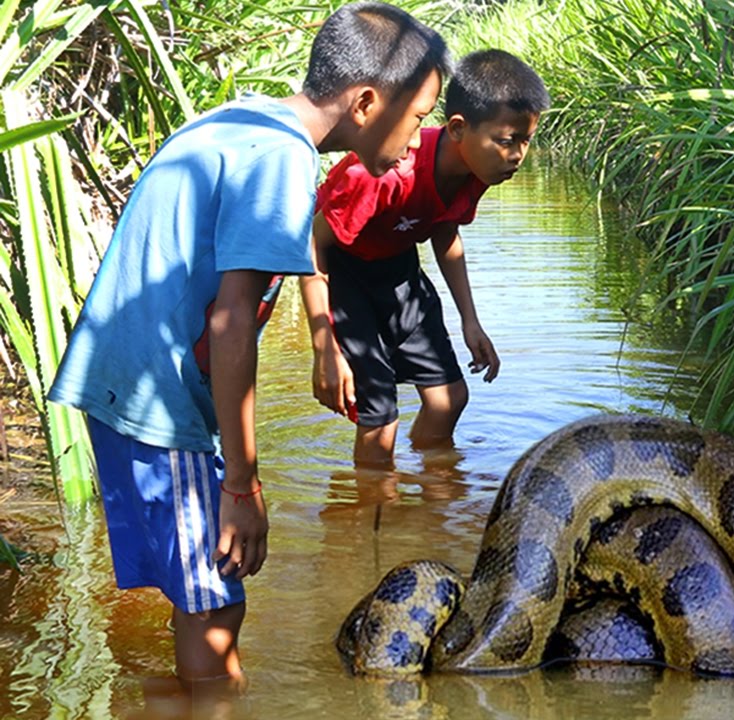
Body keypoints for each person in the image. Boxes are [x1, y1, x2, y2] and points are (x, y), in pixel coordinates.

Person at [46, 2, 450, 691]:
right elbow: (233, 324)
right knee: (217, 611)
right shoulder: (283, 163)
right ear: (366, 102)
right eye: (417, 120)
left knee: (201, 600)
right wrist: (243, 483)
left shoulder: (246, 119)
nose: (417, 142)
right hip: (158, 398)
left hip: (121, 379)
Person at [302, 49, 550, 469]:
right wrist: (324, 346)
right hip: (346, 278)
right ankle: (373, 516)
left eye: (526, 141)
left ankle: (433, 500)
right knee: (379, 422)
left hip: (400, 272)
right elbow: (312, 243)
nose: (517, 156)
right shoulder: (383, 174)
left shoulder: (479, 168)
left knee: (449, 399)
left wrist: (471, 321)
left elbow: (445, 231)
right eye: (507, 141)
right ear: (458, 128)